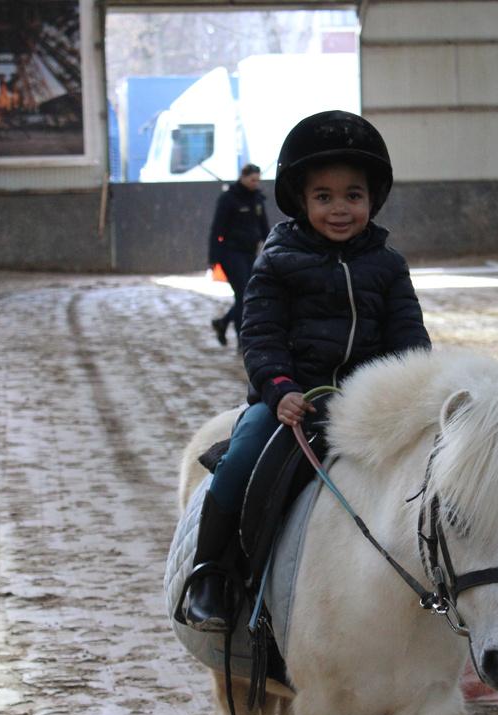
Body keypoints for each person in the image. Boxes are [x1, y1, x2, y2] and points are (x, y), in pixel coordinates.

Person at [184, 110, 431, 632]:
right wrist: (279, 389)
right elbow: (260, 335)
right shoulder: (277, 262)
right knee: (241, 460)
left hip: (368, 407)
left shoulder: (389, 266)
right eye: (324, 196)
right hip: (293, 404)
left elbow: (410, 340)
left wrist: (416, 393)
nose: (340, 209)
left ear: (372, 199)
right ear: (302, 201)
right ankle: (210, 575)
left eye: (353, 195)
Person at [208, 163, 270, 347]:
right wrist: (213, 257)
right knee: (243, 294)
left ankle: (223, 323)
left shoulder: (257, 198)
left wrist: (271, 248)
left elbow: (263, 226)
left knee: (248, 295)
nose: (255, 183)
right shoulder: (228, 199)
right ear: (243, 177)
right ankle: (242, 340)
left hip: (250, 253)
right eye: (252, 180)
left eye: (258, 180)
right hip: (231, 253)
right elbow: (217, 229)